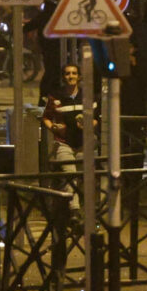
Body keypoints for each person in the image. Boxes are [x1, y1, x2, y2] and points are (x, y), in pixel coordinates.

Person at [41, 64, 99, 226]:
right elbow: (46, 117)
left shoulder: (88, 97)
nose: (71, 76)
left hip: (84, 144)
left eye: (74, 73)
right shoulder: (55, 97)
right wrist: (52, 127)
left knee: (84, 178)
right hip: (64, 143)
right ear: (63, 77)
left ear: (79, 77)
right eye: (67, 74)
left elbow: (96, 120)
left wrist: (88, 124)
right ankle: (74, 211)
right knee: (70, 174)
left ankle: (85, 211)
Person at [24, 0, 62, 106]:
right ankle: (49, 99)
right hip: (57, 49)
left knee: (51, 74)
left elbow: (29, 27)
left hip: (48, 50)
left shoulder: (43, 16)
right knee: (53, 74)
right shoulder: (56, 17)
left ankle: (46, 99)